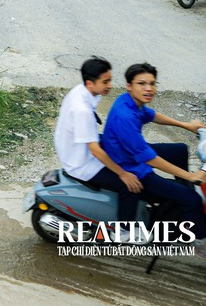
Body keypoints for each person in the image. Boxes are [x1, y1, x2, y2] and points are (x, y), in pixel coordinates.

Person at [101, 63, 206, 268]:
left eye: (152, 84)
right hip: (131, 166)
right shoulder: (125, 116)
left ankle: (178, 197)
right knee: (190, 198)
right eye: (142, 84)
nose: (149, 89)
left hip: (131, 152)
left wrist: (186, 125)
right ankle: (200, 243)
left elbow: (152, 115)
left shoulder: (130, 101)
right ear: (129, 85)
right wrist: (190, 176)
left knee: (180, 149)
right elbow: (150, 159)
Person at [54, 57, 143, 225]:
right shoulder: (82, 110)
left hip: (77, 147)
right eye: (105, 82)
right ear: (90, 83)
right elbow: (95, 150)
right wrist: (123, 174)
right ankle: (124, 232)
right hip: (81, 162)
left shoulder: (81, 91)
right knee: (129, 186)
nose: (110, 85)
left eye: (110, 80)